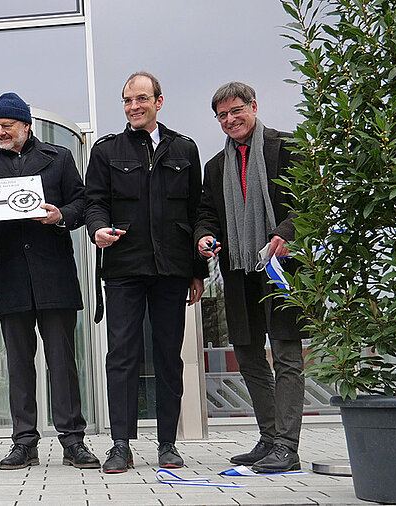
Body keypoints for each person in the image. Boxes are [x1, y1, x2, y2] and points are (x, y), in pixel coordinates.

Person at [0, 92, 99, 470]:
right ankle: (24, 442)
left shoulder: (59, 159)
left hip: (54, 277)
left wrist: (60, 216)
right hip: (11, 278)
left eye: (6, 126)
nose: (0, 133)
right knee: (18, 365)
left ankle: (73, 441)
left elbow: (84, 204)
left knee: (62, 362)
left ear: (26, 125)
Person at [84, 72, 206, 473]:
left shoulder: (185, 149)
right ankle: (120, 444)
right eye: (126, 101)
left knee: (169, 356)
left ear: (159, 100)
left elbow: (197, 213)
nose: (133, 107)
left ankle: (168, 443)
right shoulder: (106, 151)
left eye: (141, 99)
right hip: (123, 269)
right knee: (122, 355)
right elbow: (94, 203)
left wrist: (197, 270)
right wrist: (97, 229)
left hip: (172, 268)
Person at [195, 82, 306, 473]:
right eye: (222, 115)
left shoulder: (287, 147)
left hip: (281, 269)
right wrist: (205, 236)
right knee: (247, 353)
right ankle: (270, 437)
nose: (229, 120)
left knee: (287, 353)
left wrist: (286, 234)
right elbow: (207, 213)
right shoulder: (215, 166)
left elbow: (310, 203)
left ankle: (288, 448)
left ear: (254, 107)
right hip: (239, 269)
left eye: (235, 111)